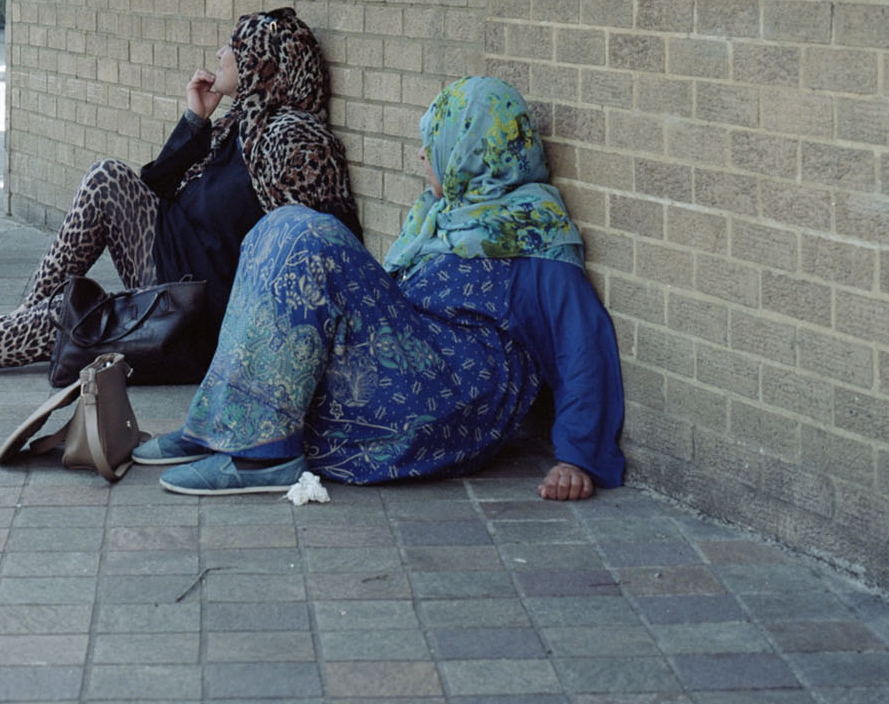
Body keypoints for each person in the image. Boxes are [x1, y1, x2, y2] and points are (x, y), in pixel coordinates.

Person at [133, 76, 626, 500]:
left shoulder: (535, 240)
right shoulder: (444, 218)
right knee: (280, 225)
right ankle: (224, 424)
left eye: (436, 138)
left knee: (310, 234)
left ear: (472, 150)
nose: (421, 152)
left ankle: (261, 458)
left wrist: (577, 459)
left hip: (447, 403)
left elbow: (582, 348)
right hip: (410, 366)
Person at [0, 7, 359, 383]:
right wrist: (194, 121)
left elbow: (315, 253)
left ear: (263, 66)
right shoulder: (242, 123)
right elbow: (153, 189)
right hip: (168, 261)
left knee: (66, 317)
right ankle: (12, 328)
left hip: (195, 311)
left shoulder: (293, 142)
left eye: (235, 46)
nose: (221, 52)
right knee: (107, 176)